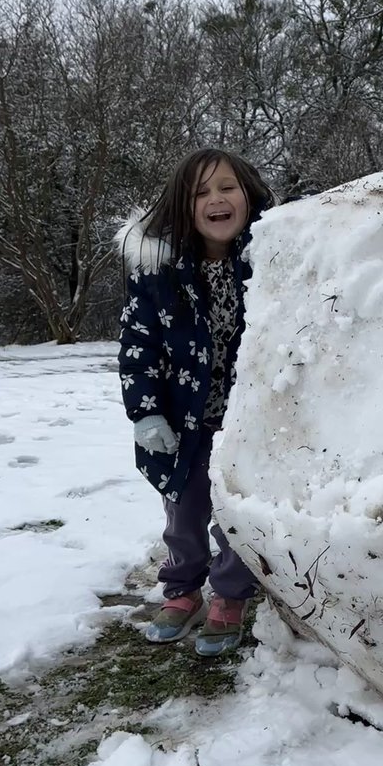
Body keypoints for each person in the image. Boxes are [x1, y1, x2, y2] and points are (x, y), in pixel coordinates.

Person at [116, 147, 274, 656]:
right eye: (200, 192)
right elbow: (137, 350)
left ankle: (230, 594)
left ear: (247, 194)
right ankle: (182, 588)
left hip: (253, 422)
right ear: (182, 207)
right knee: (183, 513)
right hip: (184, 422)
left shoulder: (270, 261)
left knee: (237, 513)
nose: (216, 199)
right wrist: (145, 413)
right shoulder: (157, 275)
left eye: (227, 187)